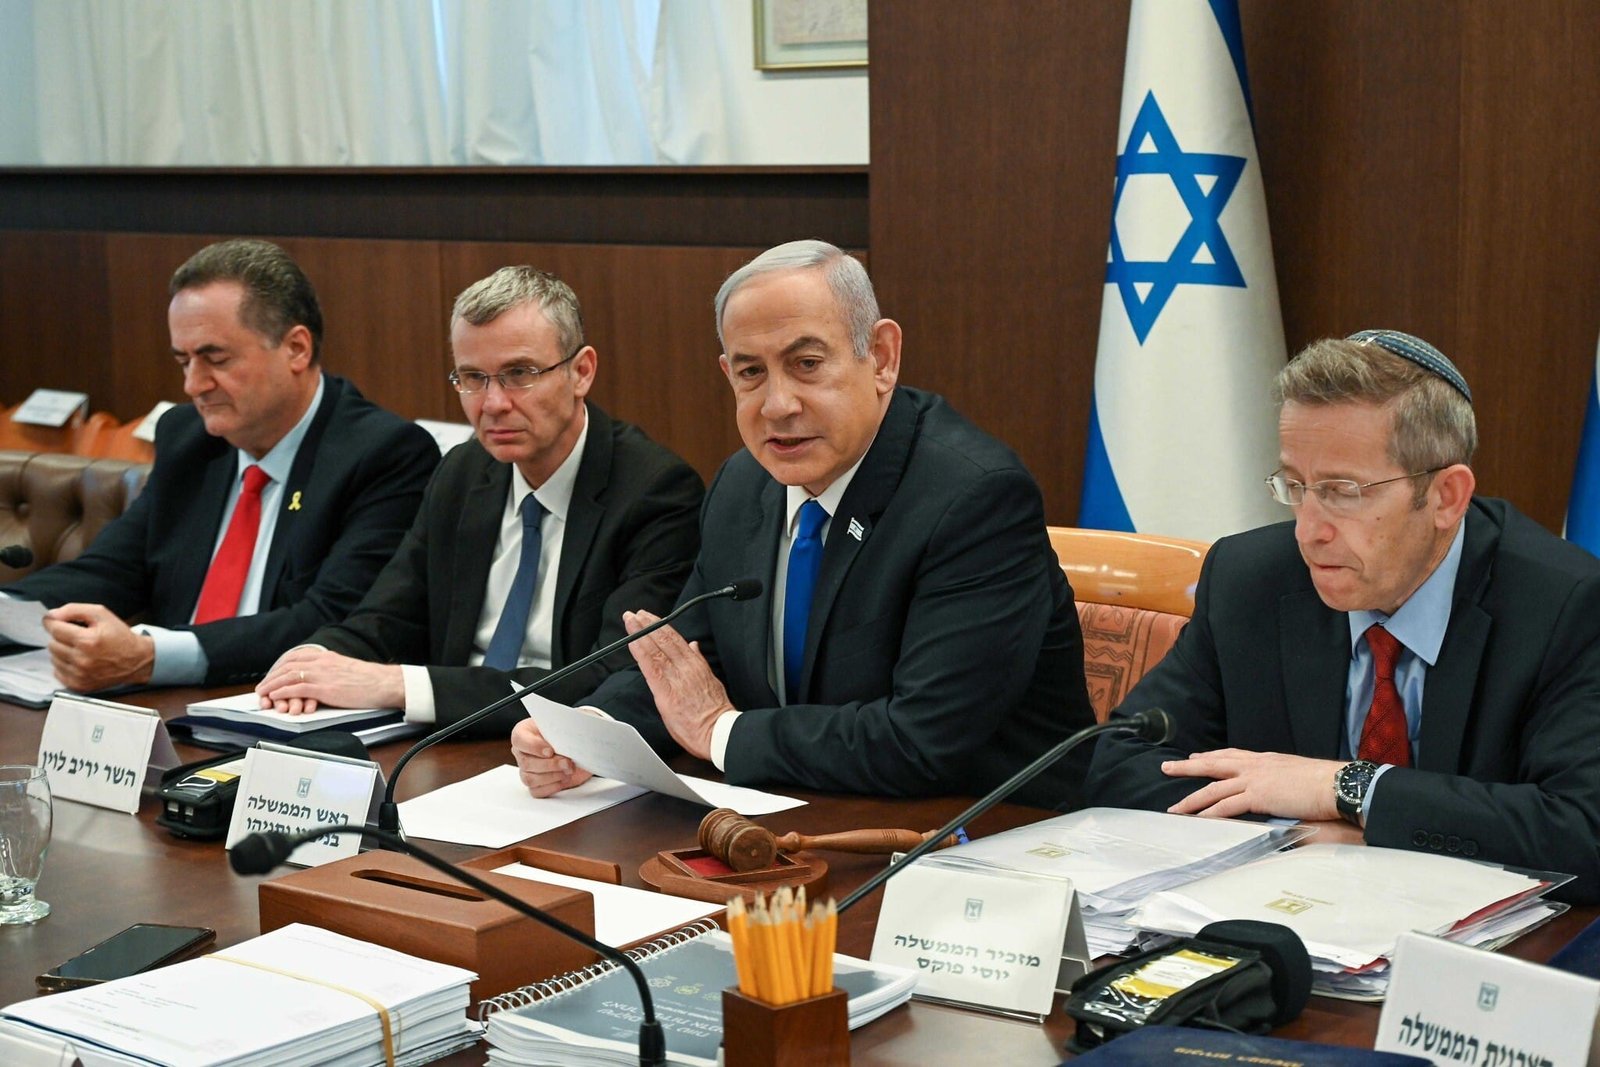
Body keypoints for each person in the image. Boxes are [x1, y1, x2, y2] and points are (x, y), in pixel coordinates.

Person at [509, 239, 1096, 806]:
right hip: (800, 812)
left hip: (982, 835)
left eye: (807, 364)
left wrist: (720, 732)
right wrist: (591, 734)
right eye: (751, 373)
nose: (777, 405)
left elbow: (923, 740)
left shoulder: (974, 499)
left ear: (882, 358)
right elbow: (693, 660)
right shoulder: (744, 485)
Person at [1086, 330, 1600, 902]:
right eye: (1297, 486)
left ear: (1446, 497)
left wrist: (1348, 789)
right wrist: (1297, 835)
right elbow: (1121, 764)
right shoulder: (1251, 578)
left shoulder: (1564, 604)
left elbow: (1584, 829)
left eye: (1344, 491)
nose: (1309, 530)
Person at [254, 267, 703, 736]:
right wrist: (310, 663)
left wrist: (400, 685)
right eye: (473, 378)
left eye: (519, 374)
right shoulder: (463, 474)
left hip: (565, 756)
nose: (492, 404)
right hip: (445, 745)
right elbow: (385, 616)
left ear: (581, 372)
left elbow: (612, 675)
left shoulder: (656, 492)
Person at [5, 238, 438, 690]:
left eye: (216, 359)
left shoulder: (383, 454)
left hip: (282, 706)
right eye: (183, 360)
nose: (194, 384)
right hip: (166, 706)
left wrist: (153, 657)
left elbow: (332, 621)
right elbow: (114, 568)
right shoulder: (189, 437)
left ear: (296, 348)